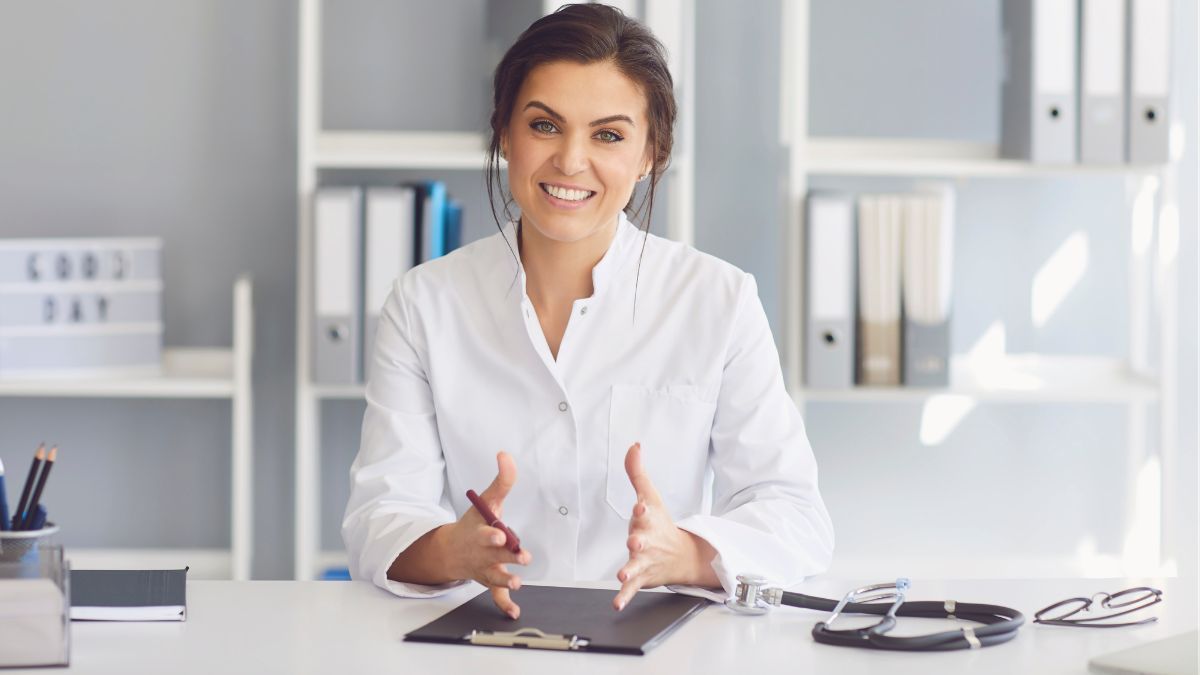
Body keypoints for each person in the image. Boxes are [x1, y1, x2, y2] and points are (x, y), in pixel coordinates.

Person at [342, 3, 833, 619]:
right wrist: (453, 551)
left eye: (608, 134)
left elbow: (794, 513)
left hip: (660, 648)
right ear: (503, 132)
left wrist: (683, 553)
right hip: (488, 645)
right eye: (544, 126)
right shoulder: (424, 303)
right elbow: (378, 516)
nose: (571, 161)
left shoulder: (720, 301)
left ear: (650, 152)